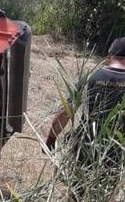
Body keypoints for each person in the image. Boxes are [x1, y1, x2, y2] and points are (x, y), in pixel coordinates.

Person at [44, 37, 125, 199]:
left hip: (84, 147)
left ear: (109, 55)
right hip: (114, 153)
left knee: (76, 194)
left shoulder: (91, 77)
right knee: (103, 195)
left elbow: (65, 112)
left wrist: (51, 138)